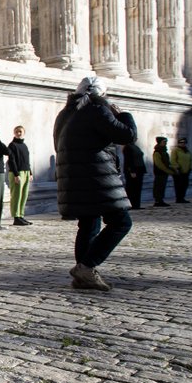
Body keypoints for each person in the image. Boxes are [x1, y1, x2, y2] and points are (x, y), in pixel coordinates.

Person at [53, 76, 137, 292]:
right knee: (121, 222)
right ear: (102, 94)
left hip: (73, 178)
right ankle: (87, 267)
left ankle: (83, 275)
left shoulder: (64, 114)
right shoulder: (98, 110)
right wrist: (123, 114)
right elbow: (127, 135)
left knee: (89, 224)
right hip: (97, 178)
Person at [7, 126, 32, 226]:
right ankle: (16, 216)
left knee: (24, 195)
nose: (19, 133)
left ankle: (21, 215)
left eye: (20, 131)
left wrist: (30, 173)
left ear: (24, 133)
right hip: (17, 173)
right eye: (17, 132)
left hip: (25, 172)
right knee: (16, 195)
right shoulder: (12, 145)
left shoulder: (24, 145)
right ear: (14, 133)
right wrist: (16, 174)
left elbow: (27, 160)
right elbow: (11, 161)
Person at [122, 140, 147, 209]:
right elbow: (128, 160)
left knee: (137, 188)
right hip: (133, 170)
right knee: (131, 188)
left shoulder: (135, 146)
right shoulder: (127, 147)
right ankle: (130, 205)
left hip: (139, 170)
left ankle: (136, 205)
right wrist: (131, 171)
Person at [151, 136, 175, 207]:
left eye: (166, 142)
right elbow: (159, 164)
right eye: (164, 142)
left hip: (164, 172)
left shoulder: (164, 152)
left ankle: (160, 200)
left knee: (162, 186)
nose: (165, 143)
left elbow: (167, 162)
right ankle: (158, 201)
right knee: (158, 186)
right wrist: (168, 170)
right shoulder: (157, 152)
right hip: (159, 172)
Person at [170, 137, 192, 203]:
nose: (183, 144)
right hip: (178, 171)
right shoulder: (175, 150)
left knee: (185, 185)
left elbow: (190, 160)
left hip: (186, 171)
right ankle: (178, 198)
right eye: (181, 142)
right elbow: (173, 160)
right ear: (179, 143)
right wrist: (176, 167)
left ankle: (182, 197)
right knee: (178, 185)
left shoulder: (187, 151)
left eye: (184, 143)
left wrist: (190, 167)